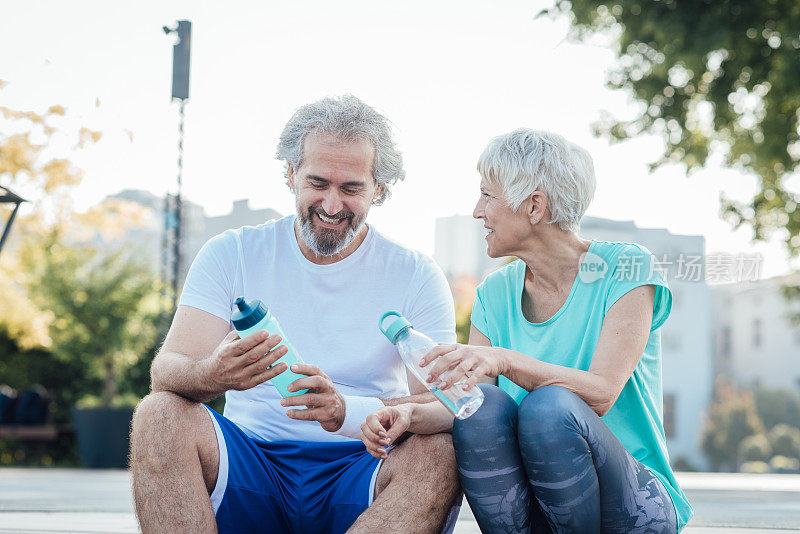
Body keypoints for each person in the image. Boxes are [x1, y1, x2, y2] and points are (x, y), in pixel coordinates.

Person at [130, 95, 462, 534]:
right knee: (158, 414)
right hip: (250, 462)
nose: (330, 204)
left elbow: (446, 402)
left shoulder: (415, 274)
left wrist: (348, 409)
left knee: (440, 450)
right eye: (318, 182)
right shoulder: (233, 253)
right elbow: (166, 372)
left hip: (364, 466)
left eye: (351, 188)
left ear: (378, 190)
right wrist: (214, 373)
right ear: (291, 175)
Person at [360, 128, 693, 533]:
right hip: (543, 512)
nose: (477, 210)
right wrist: (409, 412)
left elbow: (602, 392)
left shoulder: (626, 268)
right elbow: (463, 403)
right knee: (483, 403)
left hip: (637, 509)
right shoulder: (495, 292)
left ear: (534, 205)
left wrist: (506, 359)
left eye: (487, 195)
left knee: (549, 408)